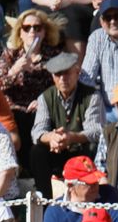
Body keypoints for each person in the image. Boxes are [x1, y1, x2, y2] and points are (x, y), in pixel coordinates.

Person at [31, 52, 104, 196]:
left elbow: (95, 131)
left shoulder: (92, 96)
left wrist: (71, 137)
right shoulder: (45, 98)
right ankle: (45, 198)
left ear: (77, 72)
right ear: (53, 77)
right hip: (57, 151)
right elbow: (37, 132)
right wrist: (51, 137)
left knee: (93, 146)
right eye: (58, 75)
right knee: (37, 151)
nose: (63, 79)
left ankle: (90, 194)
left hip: (81, 151)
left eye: (67, 74)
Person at [0, 9, 66, 152]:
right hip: (14, 109)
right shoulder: (10, 55)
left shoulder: (53, 55)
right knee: (15, 119)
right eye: (27, 28)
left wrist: (42, 100)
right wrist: (14, 71)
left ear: (44, 32)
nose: (32, 31)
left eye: (37, 27)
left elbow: (61, 85)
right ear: (20, 32)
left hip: (42, 108)